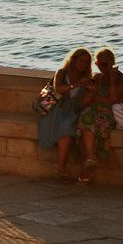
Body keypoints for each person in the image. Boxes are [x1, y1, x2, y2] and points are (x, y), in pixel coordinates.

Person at [74, 47, 123, 185]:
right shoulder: (97, 78)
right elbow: (86, 100)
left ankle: (85, 170)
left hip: (108, 113)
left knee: (89, 124)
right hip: (92, 111)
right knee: (85, 118)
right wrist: (96, 95)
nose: (102, 67)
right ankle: (90, 158)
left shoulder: (121, 79)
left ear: (112, 63)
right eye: (99, 64)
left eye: (106, 64)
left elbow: (114, 100)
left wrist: (112, 81)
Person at [38, 48, 92, 182]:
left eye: (86, 62)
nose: (83, 64)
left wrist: (91, 91)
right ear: (73, 59)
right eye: (81, 60)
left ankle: (60, 168)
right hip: (57, 108)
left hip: (72, 111)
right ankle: (60, 168)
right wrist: (76, 85)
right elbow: (58, 88)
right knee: (66, 128)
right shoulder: (62, 72)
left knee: (68, 128)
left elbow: (81, 103)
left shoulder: (87, 78)